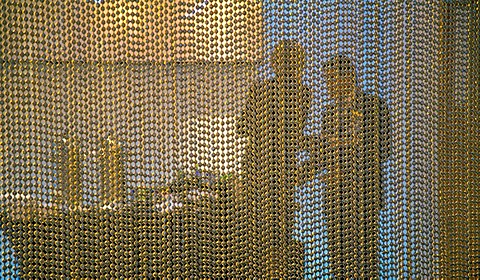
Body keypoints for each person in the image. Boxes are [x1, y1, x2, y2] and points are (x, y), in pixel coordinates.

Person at [237, 39, 310, 278]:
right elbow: (294, 135)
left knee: (260, 230)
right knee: (279, 230)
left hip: (262, 169)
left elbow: (243, 128)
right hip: (281, 171)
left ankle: (265, 270)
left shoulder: (261, 91)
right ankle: (274, 271)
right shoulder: (302, 93)